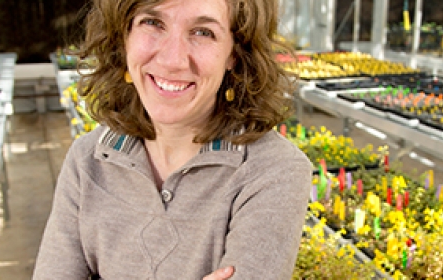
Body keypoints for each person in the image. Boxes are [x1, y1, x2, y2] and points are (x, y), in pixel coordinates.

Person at [33, 0, 312, 278]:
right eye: (153, 23)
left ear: (235, 53)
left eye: (203, 32)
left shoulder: (274, 171)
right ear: (124, 36)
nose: (172, 59)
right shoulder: (88, 160)